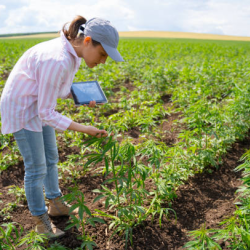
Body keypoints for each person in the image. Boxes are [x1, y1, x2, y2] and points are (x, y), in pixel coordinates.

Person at [0, 15, 124, 239]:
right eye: (103, 54)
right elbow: (46, 113)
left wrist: (79, 96)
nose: (103, 61)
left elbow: (56, 89)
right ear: (87, 41)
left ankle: (56, 204)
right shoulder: (57, 59)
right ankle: (40, 221)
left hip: (37, 104)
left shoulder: (72, 55)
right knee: (37, 167)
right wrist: (85, 128)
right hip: (23, 109)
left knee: (51, 157)